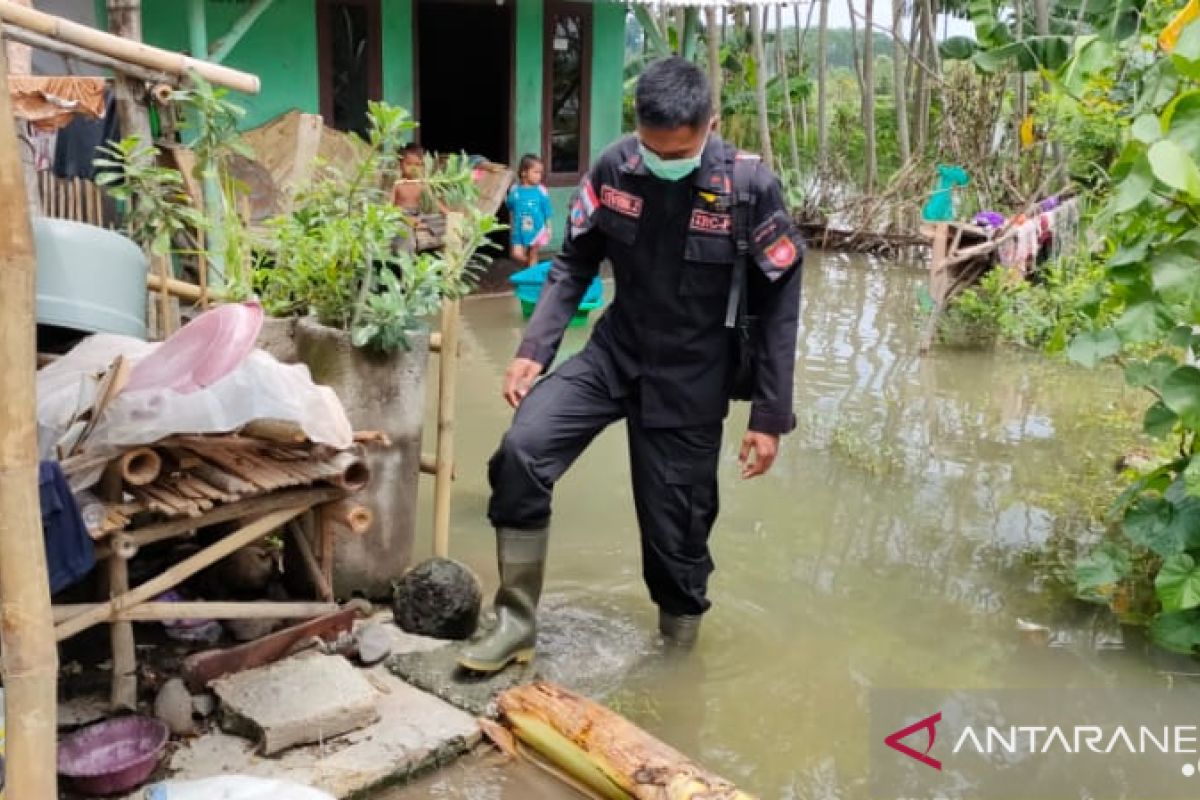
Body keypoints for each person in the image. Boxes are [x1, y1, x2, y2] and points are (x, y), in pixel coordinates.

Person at [458, 56, 804, 674]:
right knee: (522, 452)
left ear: (711, 125)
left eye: (681, 149)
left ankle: (677, 656)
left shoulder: (748, 188)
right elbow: (574, 263)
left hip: (694, 379)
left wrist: (770, 414)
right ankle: (515, 621)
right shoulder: (615, 168)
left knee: (677, 539)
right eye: (653, 147)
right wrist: (533, 350)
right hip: (614, 355)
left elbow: (780, 298)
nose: (665, 160)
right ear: (637, 129)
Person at [506, 154, 554, 267]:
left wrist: (549, 228)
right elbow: (510, 206)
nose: (539, 176)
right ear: (524, 173)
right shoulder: (515, 189)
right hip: (519, 228)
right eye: (536, 172)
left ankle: (531, 278)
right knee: (516, 254)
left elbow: (547, 210)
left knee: (533, 253)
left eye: (540, 173)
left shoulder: (541, 190)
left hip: (537, 228)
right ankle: (530, 265)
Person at [392, 142, 428, 214]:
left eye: (417, 165)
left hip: (417, 215)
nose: (413, 168)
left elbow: (434, 200)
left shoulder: (421, 184)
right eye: (409, 164)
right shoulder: (398, 184)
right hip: (400, 217)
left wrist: (447, 212)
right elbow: (389, 205)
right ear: (401, 164)